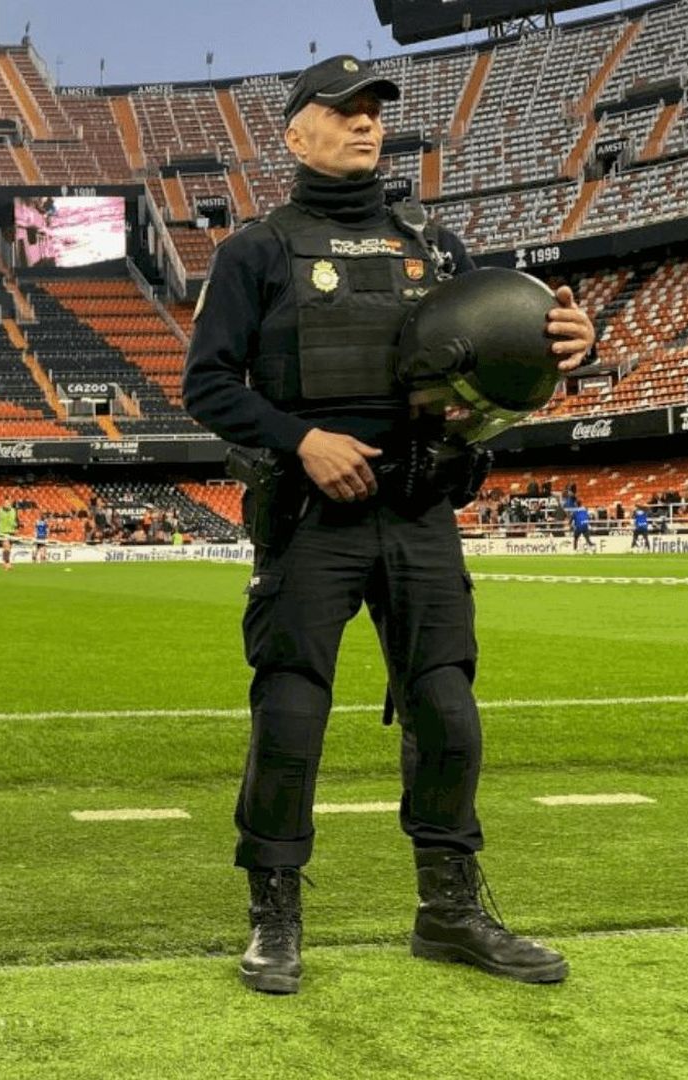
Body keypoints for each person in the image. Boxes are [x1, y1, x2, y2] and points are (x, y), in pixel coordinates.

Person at [180, 55, 595, 996]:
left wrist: (560, 353)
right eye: (345, 111)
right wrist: (302, 440)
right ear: (297, 135)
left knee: (447, 711)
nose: (367, 124)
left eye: (375, 112)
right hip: (310, 517)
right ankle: (274, 914)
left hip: (420, 511)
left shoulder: (436, 246)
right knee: (291, 713)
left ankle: (447, 911)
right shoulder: (257, 249)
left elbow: (488, 376)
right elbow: (205, 385)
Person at [0, 501, 19, 570]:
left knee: (8, 548)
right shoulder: (0, 511)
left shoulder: (14, 511)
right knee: (6, 546)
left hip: (11, 532)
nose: (7, 505)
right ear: (3, 504)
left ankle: (4, 562)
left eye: (8, 504)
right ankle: (7, 564)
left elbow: (16, 520)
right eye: (5, 504)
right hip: (2, 532)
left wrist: (17, 527)